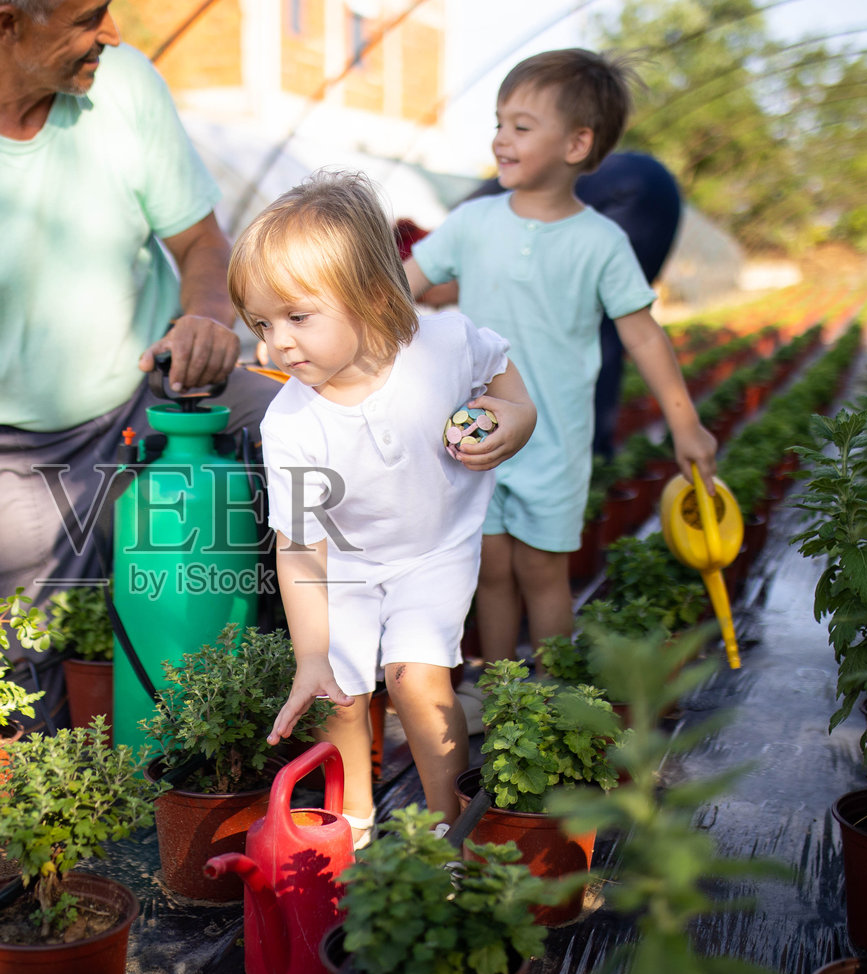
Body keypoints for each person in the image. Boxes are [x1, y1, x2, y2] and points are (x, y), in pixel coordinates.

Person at [0, 0, 281, 719]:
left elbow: (204, 245)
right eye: (90, 18)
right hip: (18, 448)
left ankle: (294, 693)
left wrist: (207, 316)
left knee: (306, 428)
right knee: (32, 687)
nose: (111, 35)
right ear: (8, 24)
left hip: (156, 392)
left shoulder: (126, 85)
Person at [234, 170, 537, 838]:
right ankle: (354, 821)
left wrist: (511, 424)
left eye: (297, 316)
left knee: (416, 679)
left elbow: (511, 392)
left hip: (436, 548)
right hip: (344, 561)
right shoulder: (292, 421)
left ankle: (445, 824)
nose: (276, 342)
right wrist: (310, 654)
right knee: (337, 694)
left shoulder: (445, 344)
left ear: (370, 295)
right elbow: (301, 547)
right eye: (261, 321)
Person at [404, 49, 715, 666]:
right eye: (498, 123)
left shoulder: (601, 241)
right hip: (475, 430)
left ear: (577, 144)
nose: (500, 139)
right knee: (489, 571)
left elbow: (644, 335)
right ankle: (499, 689)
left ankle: (551, 698)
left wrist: (685, 423)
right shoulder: (473, 223)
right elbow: (399, 289)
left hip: (556, 441)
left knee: (543, 572)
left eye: (521, 126)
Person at [421, 151, 683, 458]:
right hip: (653, 189)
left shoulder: (471, 221)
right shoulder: (500, 203)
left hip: (633, 194)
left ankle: (583, 448)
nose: (438, 308)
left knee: (592, 325)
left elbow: (468, 281)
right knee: (601, 325)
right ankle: (587, 448)